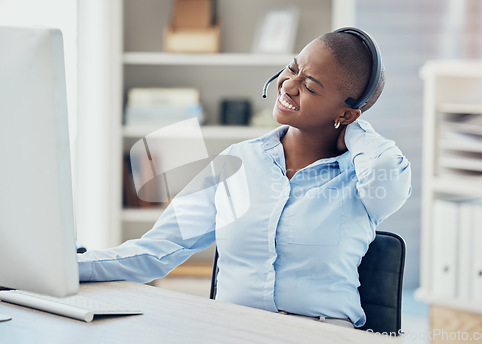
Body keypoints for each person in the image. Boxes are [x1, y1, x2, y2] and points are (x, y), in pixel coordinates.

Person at [78, 28, 411, 329]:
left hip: (321, 333)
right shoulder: (237, 162)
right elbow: (158, 250)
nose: (289, 86)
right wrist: (70, 267)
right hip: (231, 330)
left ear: (346, 113)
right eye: (293, 68)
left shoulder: (366, 178)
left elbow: (389, 178)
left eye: (310, 87)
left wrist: (356, 131)